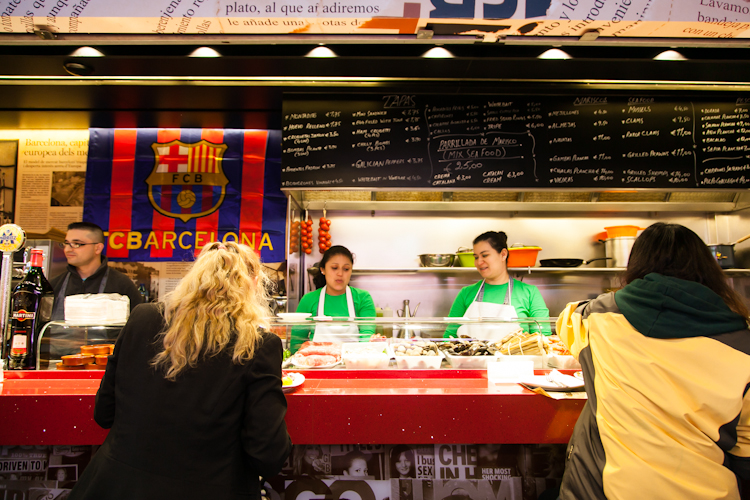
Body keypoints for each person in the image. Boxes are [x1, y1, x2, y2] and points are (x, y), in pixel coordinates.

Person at [69, 241, 292, 500]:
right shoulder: (259, 345)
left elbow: (104, 413)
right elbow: (268, 454)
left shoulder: (142, 317)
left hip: (116, 486)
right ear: (253, 283)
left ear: (195, 275)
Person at [555, 222, 750, 499]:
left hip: (612, 490)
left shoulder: (596, 318)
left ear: (635, 266)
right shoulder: (744, 346)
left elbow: (567, 319)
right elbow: (745, 453)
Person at [445, 231, 550, 339]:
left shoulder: (529, 293)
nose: (479, 262)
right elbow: (449, 337)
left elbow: (542, 338)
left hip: (515, 356)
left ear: (503, 254)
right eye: (476, 257)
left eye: (485, 255)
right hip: (473, 356)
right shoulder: (466, 293)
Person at [291, 246, 376, 353]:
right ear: (323, 270)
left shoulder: (363, 298)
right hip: (318, 366)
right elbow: (297, 341)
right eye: (334, 268)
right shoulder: (309, 299)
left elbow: (367, 336)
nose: (340, 274)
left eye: (346, 269)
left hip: (353, 362)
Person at [49, 222, 142, 320]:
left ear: (97, 248)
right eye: (66, 243)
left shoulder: (122, 284)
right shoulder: (54, 285)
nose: (67, 249)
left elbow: (138, 326)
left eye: (76, 244)